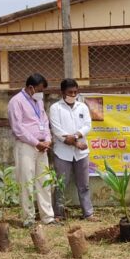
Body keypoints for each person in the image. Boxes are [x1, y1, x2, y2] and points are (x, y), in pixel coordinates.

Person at [8, 73, 56, 227]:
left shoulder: (39, 101)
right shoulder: (16, 101)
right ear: (30, 88)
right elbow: (18, 128)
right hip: (26, 147)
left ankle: (47, 217)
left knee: (44, 181)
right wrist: (36, 142)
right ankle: (28, 218)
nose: (42, 93)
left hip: (42, 146)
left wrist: (47, 139)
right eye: (40, 90)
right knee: (26, 182)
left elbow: (44, 120)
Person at [48, 79, 96, 222]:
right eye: (70, 92)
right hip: (62, 153)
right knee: (61, 184)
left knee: (84, 185)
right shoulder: (55, 108)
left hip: (81, 154)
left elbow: (88, 125)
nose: (73, 94)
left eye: (75, 92)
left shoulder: (82, 107)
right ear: (62, 92)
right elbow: (58, 132)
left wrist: (75, 136)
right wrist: (77, 143)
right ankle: (58, 214)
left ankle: (88, 213)